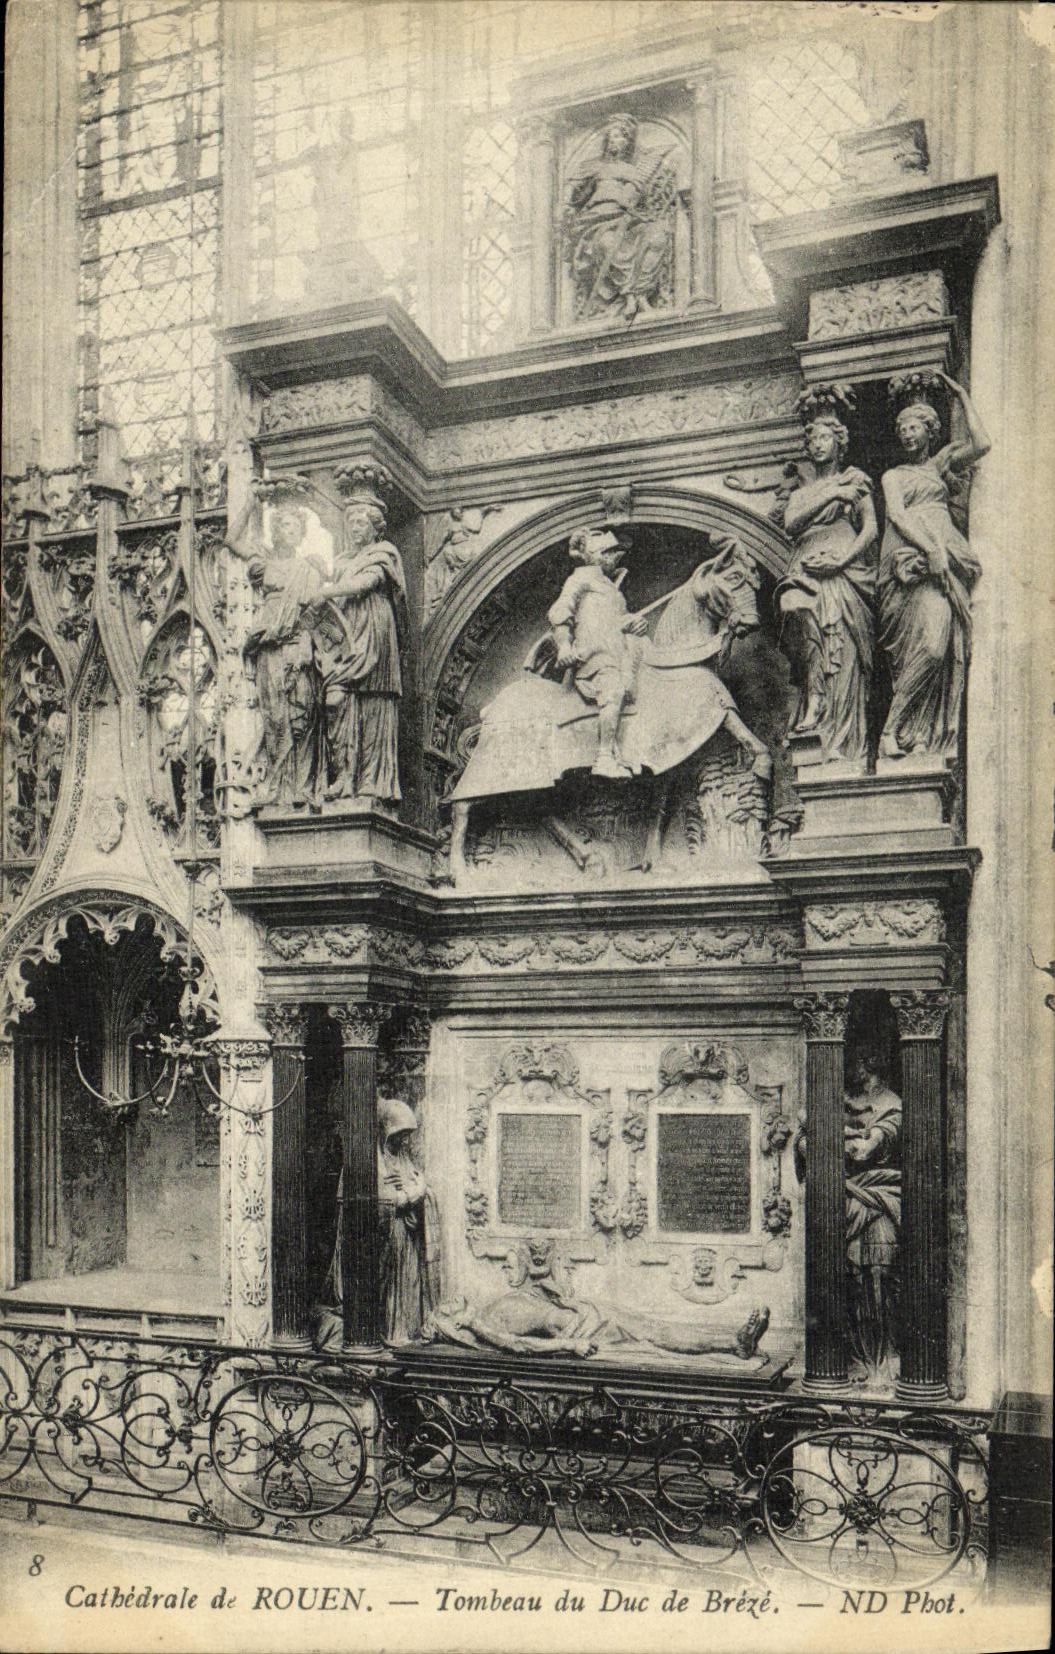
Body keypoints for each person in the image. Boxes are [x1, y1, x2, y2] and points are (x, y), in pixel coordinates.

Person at [878, 371, 990, 761]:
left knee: (937, 647)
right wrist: (931, 550)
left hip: (946, 557)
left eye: (914, 427)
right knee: (924, 645)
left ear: (930, 430)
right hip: (909, 560)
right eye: (902, 430)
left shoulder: (940, 466)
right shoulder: (893, 476)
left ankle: (916, 732)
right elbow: (897, 515)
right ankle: (892, 730)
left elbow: (982, 443)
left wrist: (961, 394)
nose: (907, 435)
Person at [777, 396, 878, 765]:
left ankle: (840, 736)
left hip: (843, 567)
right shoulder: (803, 493)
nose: (817, 445)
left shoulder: (856, 480)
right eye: (812, 440)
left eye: (824, 438)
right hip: (805, 564)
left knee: (842, 646)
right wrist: (833, 493)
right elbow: (791, 524)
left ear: (839, 442)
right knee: (798, 610)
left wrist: (841, 561)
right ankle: (814, 699)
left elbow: (870, 528)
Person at [226, 482, 328, 806]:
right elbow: (231, 540)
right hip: (270, 648)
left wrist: (307, 643)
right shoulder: (264, 563)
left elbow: (316, 613)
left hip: (298, 645)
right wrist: (251, 502)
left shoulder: (310, 568)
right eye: (283, 524)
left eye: (295, 526)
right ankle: (278, 788)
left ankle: (302, 788)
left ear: (301, 533)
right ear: (275, 531)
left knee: (303, 713)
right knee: (275, 717)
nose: (289, 530)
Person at [317, 1097, 441, 1349]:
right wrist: (413, 1192)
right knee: (386, 1286)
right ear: (385, 1134)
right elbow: (378, 1205)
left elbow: (413, 1191)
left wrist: (417, 1190)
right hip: (380, 1240)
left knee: (407, 1283)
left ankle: (404, 1332)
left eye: (406, 1135)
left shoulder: (403, 1160)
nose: (404, 1141)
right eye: (399, 1135)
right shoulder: (368, 1162)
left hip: (405, 1237)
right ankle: (386, 1332)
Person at [315, 494, 406, 803]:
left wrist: (326, 591)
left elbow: (367, 582)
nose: (354, 527)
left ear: (375, 527)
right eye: (351, 522)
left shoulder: (383, 553)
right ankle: (343, 777)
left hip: (373, 624)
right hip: (346, 630)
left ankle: (372, 780)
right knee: (337, 699)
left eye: (361, 522)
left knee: (374, 701)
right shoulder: (342, 560)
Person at [544, 525, 648, 780]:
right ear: (598, 555)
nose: (614, 558)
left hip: (618, 653)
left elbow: (616, 620)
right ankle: (603, 758)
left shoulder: (609, 586)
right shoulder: (580, 578)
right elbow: (560, 613)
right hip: (595, 657)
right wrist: (564, 646)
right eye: (610, 553)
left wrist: (634, 622)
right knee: (613, 690)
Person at [564, 112, 677, 322]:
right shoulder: (594, 166)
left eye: (621, 137)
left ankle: (640, 292)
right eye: (613, 136)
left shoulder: (633, 171)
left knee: (658, 236)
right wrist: (568, 201)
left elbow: (636, 197)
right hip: (597, 220)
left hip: (627, 219)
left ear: (628, 141)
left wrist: (633, 197)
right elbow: (573, 192)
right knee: (608, 243)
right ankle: (630, 296)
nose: (616, 141)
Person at [844, 1049, 902, 1381]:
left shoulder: (890, 1102)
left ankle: (889, 1355)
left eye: (855, 1061)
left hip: (882, 1197)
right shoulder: (842, 1100)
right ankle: (860, 1356)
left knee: (881, 1274)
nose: (850, 1068)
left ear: (869, 1064)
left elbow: (875, 1141)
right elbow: (808, 1141)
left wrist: (859, 1140)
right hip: (849, 1198)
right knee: (853, 1278)